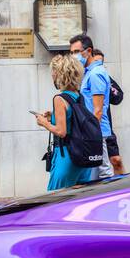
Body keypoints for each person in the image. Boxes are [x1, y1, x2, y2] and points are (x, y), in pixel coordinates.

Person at [37, 53, 91, 190]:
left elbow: (61, 132)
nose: (52, 75)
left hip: (66, 156)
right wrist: (53, 117)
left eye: (53, 72)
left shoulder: (59, 99)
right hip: (82, 157)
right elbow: (73, 120)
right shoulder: (79, 96)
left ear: (59, 74)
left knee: (54, 200)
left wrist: (44, 122)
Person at [69, 34, 115, 179]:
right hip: (92, 130)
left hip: (96, 131)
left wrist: (90, 134)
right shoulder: (88, 73)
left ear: (89, 51)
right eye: (71, 53)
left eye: (77, 52)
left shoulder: (96, 73)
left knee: (104, 171)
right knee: (94, 173)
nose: (74, 56)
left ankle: (112, 199)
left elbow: (98, 109)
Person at [91, 49, 126, 175]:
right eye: (96, 62)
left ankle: (122, 190)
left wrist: (107, 86)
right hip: (93, 130)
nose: (98, 66)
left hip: (106, 127)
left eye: (101, 63)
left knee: (116, 160)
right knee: (98, 167)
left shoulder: (103, 77)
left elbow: (118, 97)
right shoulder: (88, 77)